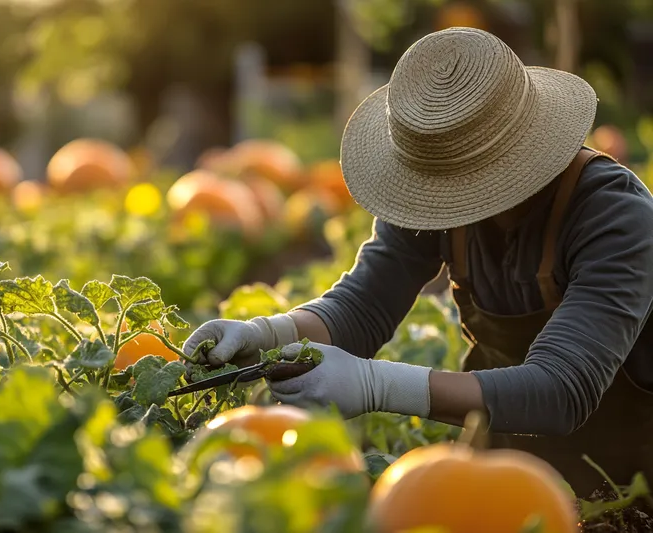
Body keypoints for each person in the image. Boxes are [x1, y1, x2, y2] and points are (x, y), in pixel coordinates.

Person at [183, 27, 653, 497]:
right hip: (509, 480)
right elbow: (364, 306)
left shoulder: (614, 217)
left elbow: (560, 390)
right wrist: (268, 335)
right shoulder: (440, 192)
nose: (435, 204)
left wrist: (376, 385)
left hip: (631, 490)